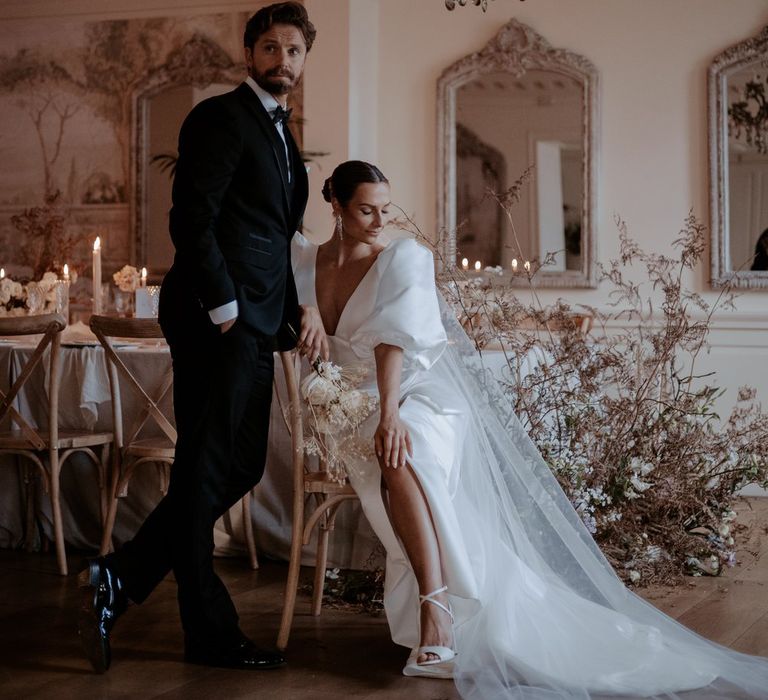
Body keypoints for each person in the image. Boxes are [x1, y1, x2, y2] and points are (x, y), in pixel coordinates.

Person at [291, 159, 768, 699]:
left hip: (415, 395)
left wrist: (393, 414)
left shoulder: (403, 257)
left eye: (386, 210)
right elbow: (286, 309)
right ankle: (445, 600)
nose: (380, 222)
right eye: (366, 210)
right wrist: (303, 307)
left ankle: (437, 613)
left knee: (407, 447)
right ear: (336, 206)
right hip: (347, 406)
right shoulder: (303, 260)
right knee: (393, 448)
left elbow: (392, 343)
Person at [77, 2, 327, 674]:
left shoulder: (278, 132)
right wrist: (224, 311)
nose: (283, 61)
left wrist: (298, 307)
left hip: (256, 321)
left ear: (305, 59)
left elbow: (273, 239)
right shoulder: (220, 117)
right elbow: (193, 218)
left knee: (234, 464)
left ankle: (121, 576)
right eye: (270, 48)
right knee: (211, 465)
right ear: (250, 55)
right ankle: (209, 631)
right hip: (217, 320)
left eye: (295, 50)